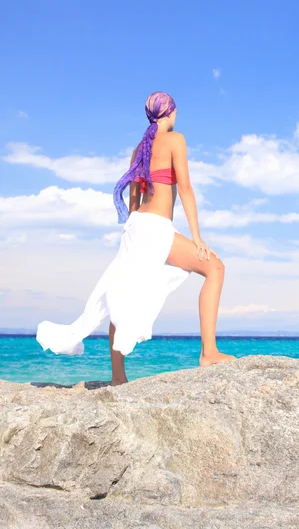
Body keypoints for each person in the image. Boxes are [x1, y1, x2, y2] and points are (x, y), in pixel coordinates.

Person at [37, 91, 235, 384]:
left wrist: (133, 230)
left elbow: (133, 199)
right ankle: (209, 352)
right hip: (155, 228)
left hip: (136, 226)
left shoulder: (139, 149)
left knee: (119, 295)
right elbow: (187, 189)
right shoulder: (175, 140)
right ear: (171, 113)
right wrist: (197, 237)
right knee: (214, 268)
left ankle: (118, 377)